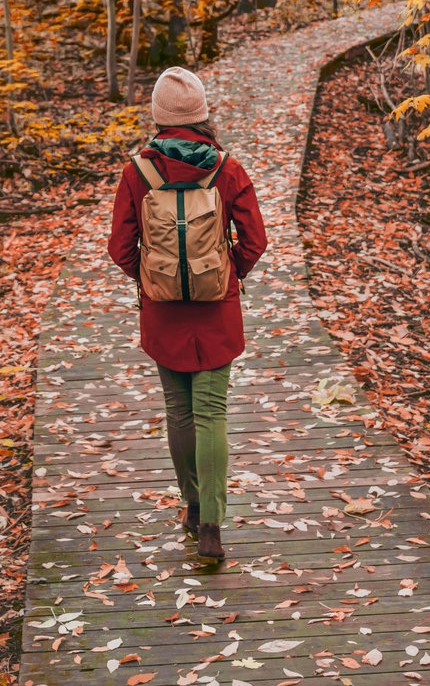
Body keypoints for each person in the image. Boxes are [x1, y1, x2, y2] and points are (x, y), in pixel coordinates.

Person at [107, 66, 268, 561]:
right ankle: (213, 528)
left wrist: (150, 279)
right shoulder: (228, 169)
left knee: (179, 410)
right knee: (211, 411)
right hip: (217, 308)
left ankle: (193, 507)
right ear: (202, 114)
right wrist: (226, 273)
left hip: (162, 312)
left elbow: (119, 247)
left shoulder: (138, 172)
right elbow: (256, 240)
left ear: (157, 117)